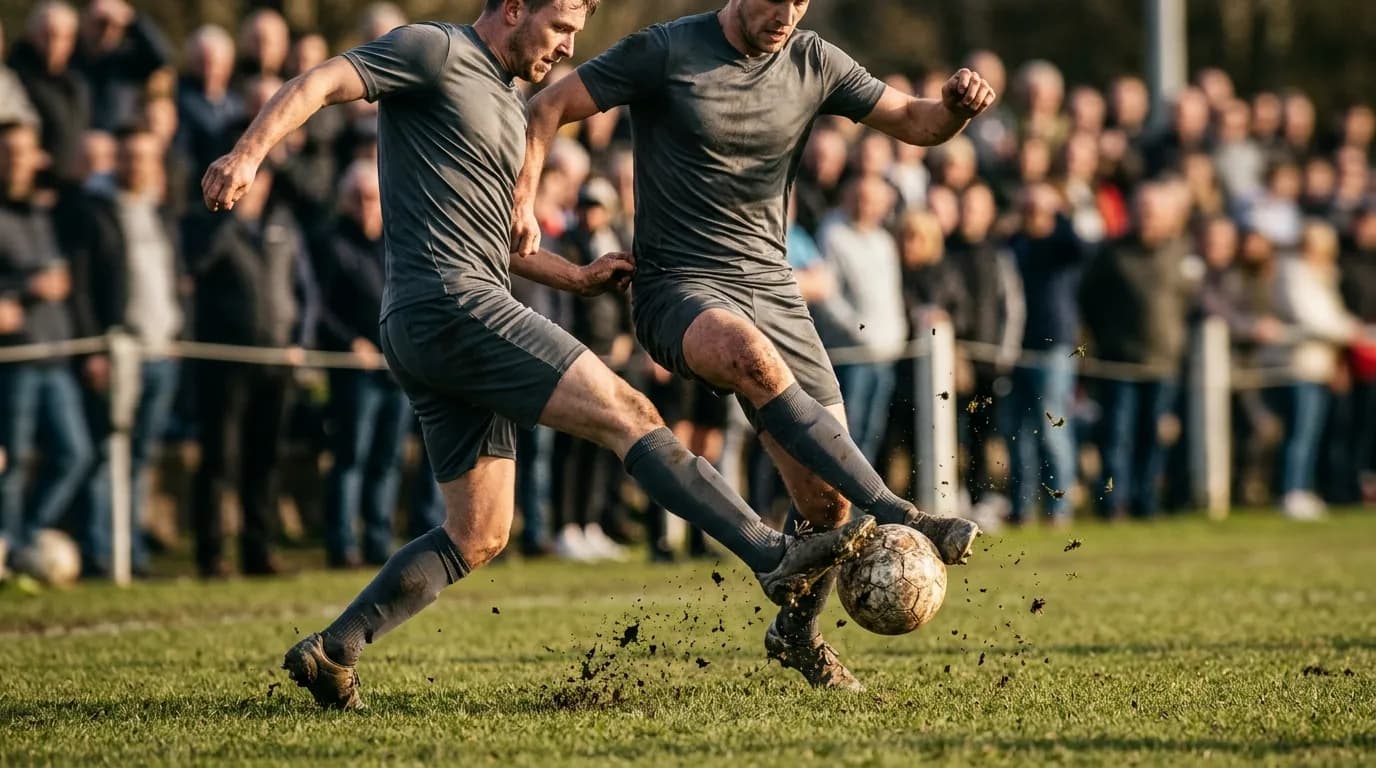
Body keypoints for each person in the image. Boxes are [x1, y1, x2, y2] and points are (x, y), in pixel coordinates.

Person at [201, 0, 875, 711]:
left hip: (434, 318)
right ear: (515, 9)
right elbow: (321, 81)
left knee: (480, 531)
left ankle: (334, 650)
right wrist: (246, 152)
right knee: (628, 412)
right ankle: (771, 557)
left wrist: (576, 277)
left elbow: (499, 247)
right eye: (561, 28)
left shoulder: (503, 100)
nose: (568, 46)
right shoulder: (434, 50)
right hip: (453, 307)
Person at [517, 0, 989, 689]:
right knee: (748, 356)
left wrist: (956, 107)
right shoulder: (665, 50)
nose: (788, 15)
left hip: (775, 290)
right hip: (676, 286)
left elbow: (916, 121)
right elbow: (548, 105)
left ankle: (796, 632)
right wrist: (523, 200)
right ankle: (902, 511)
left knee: (827, 507)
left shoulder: (813, 60)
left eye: (802, 1)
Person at [66, 127, 185, 578]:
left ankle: (131, 553)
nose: (138, 165)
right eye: (130, 157)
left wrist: (177, 331)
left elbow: (176, 278)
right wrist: (94, 349)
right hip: (118, 352)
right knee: (106, 454)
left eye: (146, 158)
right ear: (116, 162)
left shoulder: (161, 212)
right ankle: (102, 554)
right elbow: (80, 288)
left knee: (139, 458)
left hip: (162, 353)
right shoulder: (95, 213)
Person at [0, 121, 93, 567]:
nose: (16, 159)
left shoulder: (46, 211)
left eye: (23, 151)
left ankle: (25, 538)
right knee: (12, 462)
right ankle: (8, 547)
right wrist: (19, 293)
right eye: (8, 151)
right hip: (15, 358)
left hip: (54, 356)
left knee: (75, 455)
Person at [315, 160, 412, 569]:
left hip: (398, 369)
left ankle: (378, 541)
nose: (366, 205)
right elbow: (315, 308)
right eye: (358, 198)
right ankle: (342, 544)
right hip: (354, 370)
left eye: (372, 197)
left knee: (388, 459)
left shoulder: (397, 241)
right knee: (351, 456)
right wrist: (348, 342)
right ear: (344, 200)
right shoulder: (330, 242)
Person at [1079, 182, 1192, 519]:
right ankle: (1114, 503)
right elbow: (1088, 300)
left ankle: (1146, 503)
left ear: (1170, 217)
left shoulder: (1181, 254)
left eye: (1154, 212)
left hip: (1163, 365)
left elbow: (1189, 302)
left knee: (1152, 439)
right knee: (1116, 438)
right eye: (1142, 210)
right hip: (1119, 365)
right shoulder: (1111, 253)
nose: (1148, 218)